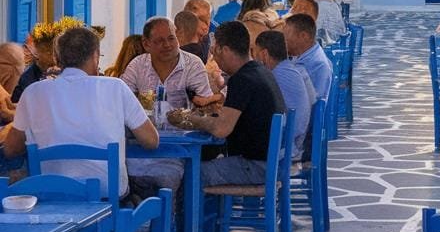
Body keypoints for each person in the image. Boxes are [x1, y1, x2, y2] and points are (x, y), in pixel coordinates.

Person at [4, 25, 158, 198]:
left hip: (53, 195)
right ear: (95, 56)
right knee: (148, 190)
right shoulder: (115, 87)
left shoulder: (33, 92)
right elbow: (151, 140)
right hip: (105, 195)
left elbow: (11, 149)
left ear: (57, 58)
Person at [188, 21, 286, 186]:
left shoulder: (242, 79)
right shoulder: (260, 71)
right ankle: (211, 211)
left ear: (224, 50)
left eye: (214, 51)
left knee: (191, 172)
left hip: (256, 167)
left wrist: (193, 120)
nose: (213, 58)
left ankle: (188, 212)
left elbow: (221, 129)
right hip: (271, 162)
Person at [122, 16, 216, 108]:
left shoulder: (193, 64)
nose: (167, 45)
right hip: (144, 123)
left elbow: (207, 105)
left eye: (171, 38)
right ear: (146, 44)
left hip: (185, 123)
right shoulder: (137, 65)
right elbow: (123, 100)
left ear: (177, 37)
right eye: (160, 41)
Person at [254, 29, 316, 160]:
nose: (253, 57)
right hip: (294, 142)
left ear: (264, 54)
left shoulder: (275, 76)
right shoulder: (288, 69)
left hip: (285, 148)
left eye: (254, 52)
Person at [284, 13, 333, 100]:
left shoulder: (318, 65)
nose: (283, 39)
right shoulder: (301, 55)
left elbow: (316, 105)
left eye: (286, 35)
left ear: (303, 36)